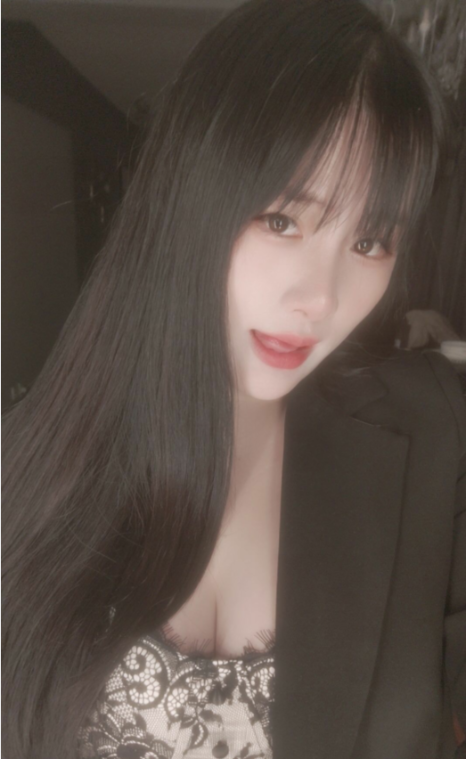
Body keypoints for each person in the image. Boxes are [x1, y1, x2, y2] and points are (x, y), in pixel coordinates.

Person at [2, 0, 465, 757]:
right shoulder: (18, 473)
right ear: (190, 191)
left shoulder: (434, 433)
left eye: (371, 241)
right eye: (282, 220)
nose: (321, 298)